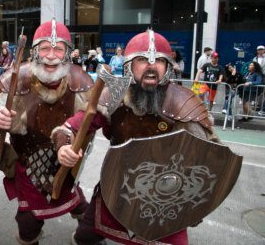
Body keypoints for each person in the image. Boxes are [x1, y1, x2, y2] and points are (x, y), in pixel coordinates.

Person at [53, 30, 218, 245]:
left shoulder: (184, 101)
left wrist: (193, 202)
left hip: (166, 197)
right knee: (85, 237)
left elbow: (211, 157)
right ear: (129, 65)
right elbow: (73, 126)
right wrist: (64, 146)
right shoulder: (114, 95)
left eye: (159, 60)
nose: (151, 66)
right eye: (142, 60)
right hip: (116, 189)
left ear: (168, 66)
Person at [0, 19, 92, 245]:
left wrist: (71, 137)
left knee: (79, 204)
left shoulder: (80, 79)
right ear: (35, 51)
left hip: (65, 164)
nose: (51, 55)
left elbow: (94, 116)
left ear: (67, 52)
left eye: (58, 48)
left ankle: (87, 236)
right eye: (45, 47)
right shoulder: (15, 77)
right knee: (28, 223)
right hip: (27, 164)